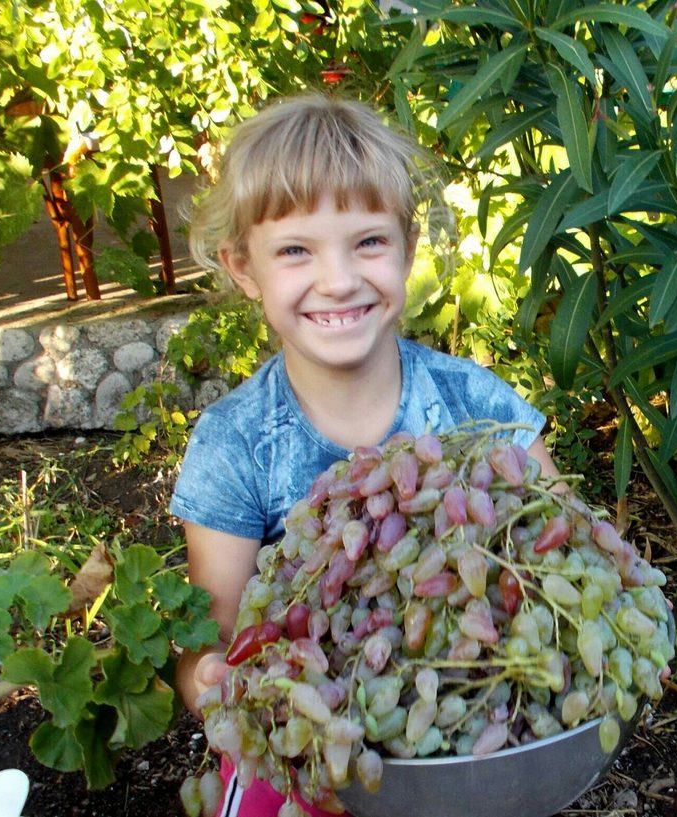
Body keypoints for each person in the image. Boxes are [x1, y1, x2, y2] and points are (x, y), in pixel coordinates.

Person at [169, 93, 565, 817]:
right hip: (304, 757)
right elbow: (210, 637)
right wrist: (221, 682)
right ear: (242, 267)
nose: (339, 279)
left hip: (462, 744)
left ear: (409, 250)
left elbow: (562, 546)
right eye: (295, 250)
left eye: (369, 242)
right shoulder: (236, 442)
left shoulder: (477, 407)